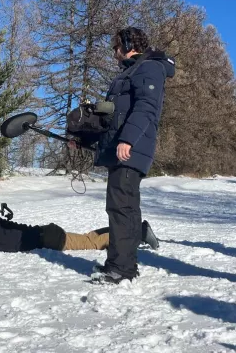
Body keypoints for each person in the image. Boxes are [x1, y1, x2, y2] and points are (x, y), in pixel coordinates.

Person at [69, 27, 175, 284]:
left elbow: (146, 108)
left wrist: (128, 139)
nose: (114, 53)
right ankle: (119, 263)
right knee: (120, 207)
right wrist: (83, 138)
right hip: (121, 148)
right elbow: (112, 120)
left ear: (128, 44)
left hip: (132, 149)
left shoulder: (149, 68)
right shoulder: (129, 73)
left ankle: (122, 268)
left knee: (122, 207)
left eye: (116, 47)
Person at [0, 200, 160, 253]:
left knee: (91, 243)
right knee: (88, 237)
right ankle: (133, 230)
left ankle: (139, 232)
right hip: (47, 234)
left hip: (49, 238)